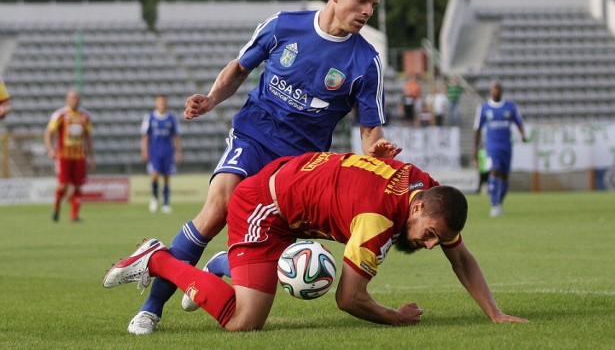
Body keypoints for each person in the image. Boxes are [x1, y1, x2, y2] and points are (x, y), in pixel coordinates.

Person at [126, 0, 402, 334]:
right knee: (218, 208)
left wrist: (375, 150)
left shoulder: (365, 62)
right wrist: (211, 99)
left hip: (299, 166)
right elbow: (240, 68)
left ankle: (223, 265)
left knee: (274, 248)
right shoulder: (284, 25)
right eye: (362, 0)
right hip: (254, 137)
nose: (368, 11)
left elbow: (369, 129)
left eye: (374, 5)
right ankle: (151, 309)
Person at [103, 151, 528, 331]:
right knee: (244, 322)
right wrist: (397, 318)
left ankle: (222, 266)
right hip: (264, 208)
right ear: (417, 210)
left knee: (280, 282)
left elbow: (461, 256)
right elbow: (350, 299)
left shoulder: (426, 188)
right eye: (431, 235)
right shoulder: (377, 222)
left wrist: (494, 313)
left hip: (296, 195)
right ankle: (157, 258)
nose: (432, 245)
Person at [473, 81, 526, 217]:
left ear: (501, 91)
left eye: (498, 89)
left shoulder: (510, 107)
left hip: (506, 145)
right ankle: (494, 204)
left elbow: (519, 122)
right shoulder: (484, 108)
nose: (495, 91)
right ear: (490, 91)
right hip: (491, 145)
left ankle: (499, 202)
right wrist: (475, 149)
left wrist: (523, 135)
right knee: (494, 170)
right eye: (493, 89)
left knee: (504, 175)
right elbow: (477, 129)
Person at [44, 89, 95, 222]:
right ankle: (56, 208)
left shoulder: (85, 116)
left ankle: (74, 215)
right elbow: (48, 132)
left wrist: (91, 157)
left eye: (77, 98)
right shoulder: (60, 114)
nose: (75, 100)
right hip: (64, 156)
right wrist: (50, 149)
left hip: (79, 156)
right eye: (72, 98)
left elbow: (88, 137)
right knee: (63, 185)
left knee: (78, 185)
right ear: (67, 99)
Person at [140, 95, 183, 214]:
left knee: (166, 177)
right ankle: (154, 198)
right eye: (159, 102)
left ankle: (165, 203)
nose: (162, 104)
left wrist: (179, 152)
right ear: (156, 104)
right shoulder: (150, 117)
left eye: (163, 102)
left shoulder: (171, 118)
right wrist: (144, 150)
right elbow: (145, 136)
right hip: (154, 152)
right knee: (154, 175)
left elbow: (176, 136)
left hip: (168, 152)